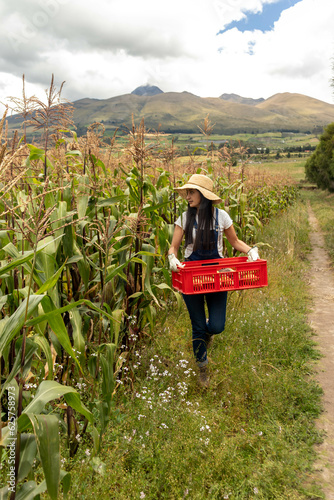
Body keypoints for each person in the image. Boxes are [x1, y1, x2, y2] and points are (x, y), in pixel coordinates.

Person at [168, 174, 259, 388]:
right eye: (187, 193)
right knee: (198, 325)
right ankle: (203, 370)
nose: (188, 196)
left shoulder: (222, 217)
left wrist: (251, 250)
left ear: (203, 195)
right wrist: (172, 257)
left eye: (192, 192)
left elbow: (234, 241)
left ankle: (209, 334)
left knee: (217, 326)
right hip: (192, 275)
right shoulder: (184, 218)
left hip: (217, 275)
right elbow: (174, 246)